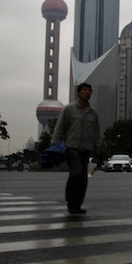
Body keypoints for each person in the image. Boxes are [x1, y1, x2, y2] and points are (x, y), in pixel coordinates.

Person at [51, 83, 101, 215]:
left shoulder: (93, 113)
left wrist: (97, 148)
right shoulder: (69, 109)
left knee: (83, 178)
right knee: (76, 173)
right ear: (79, 93)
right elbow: (60, 128)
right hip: (72, 147)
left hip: (87, 149)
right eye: (84, 90)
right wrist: (54, 144)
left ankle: (77, 204)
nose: (87, 93)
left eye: (89, 91)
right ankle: (71, 201)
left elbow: (96, 132)